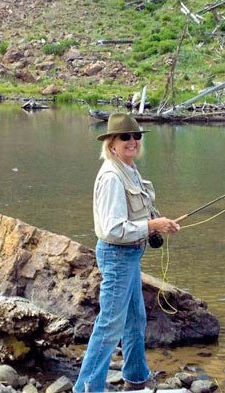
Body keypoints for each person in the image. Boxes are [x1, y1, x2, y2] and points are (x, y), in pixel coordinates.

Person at [73, 113, 180, 393]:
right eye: (125, 137)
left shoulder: (129, 168)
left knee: (135, 318)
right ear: (111, 143)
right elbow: (112, 229)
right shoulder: (111, 176)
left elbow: (136, 216)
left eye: (136, 136)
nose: (132, 141)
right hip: (116, 255)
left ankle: (135, 377)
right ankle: (86, 388)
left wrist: (155, 225)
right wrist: (152, 225)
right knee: (109, 325)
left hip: (130, 255)